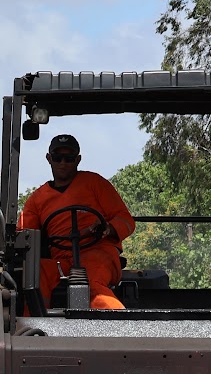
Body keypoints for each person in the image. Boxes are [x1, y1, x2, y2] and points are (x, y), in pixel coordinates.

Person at [18, 133, 136, 311]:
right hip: (62, 261)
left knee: (91, 283)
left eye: (69, 158)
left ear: (78, 159)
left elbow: (125, 219)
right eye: (58, 158)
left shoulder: (95, 183)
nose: (63, 163)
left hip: (98, 253)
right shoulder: (37, 199)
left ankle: (123, 329)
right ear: (49, 158)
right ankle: (34, 328)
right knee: (34, 275)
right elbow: (25, 234)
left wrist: (108, 228)